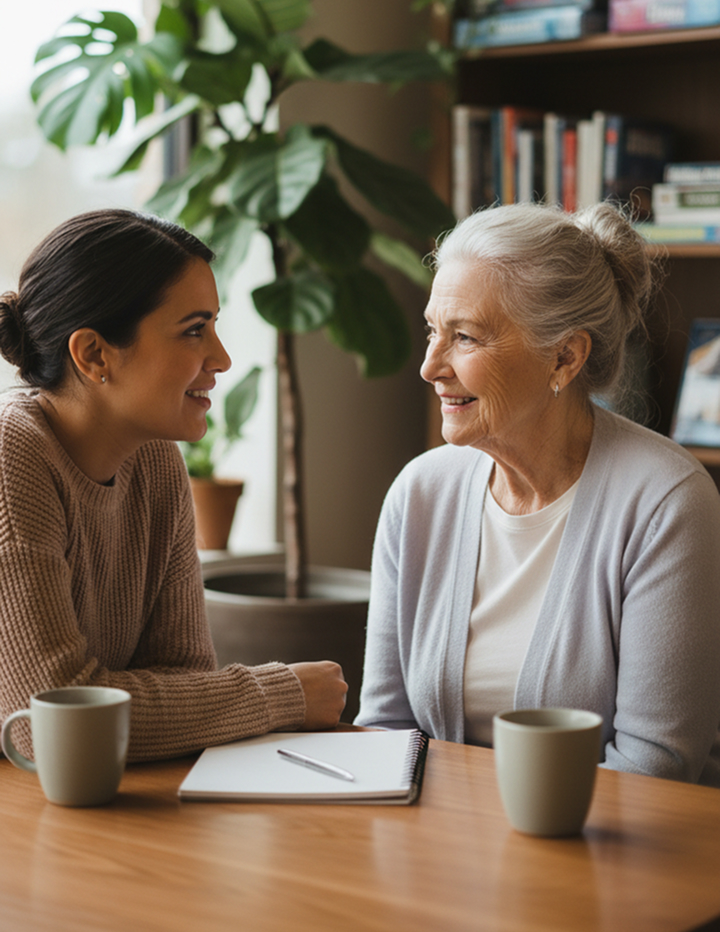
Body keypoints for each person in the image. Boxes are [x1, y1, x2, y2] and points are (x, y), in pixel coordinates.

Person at [355, 201, 720, 785]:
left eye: (465, 336)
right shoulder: (419, 494)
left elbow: (655, 769)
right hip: (436, 855)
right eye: (433, 330)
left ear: (565, 355)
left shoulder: (666, 502)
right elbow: (386, 731)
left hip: (611, 859)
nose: (429, 366)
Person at [0, 209, 347, 762]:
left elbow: (184, 678)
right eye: (194, 330)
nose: (223, 357)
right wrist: (279, 694)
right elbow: (48, 723)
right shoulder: (10, 456)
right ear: (93, 355)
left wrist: (157, 699)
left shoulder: (155, 460)